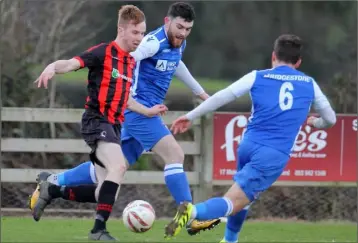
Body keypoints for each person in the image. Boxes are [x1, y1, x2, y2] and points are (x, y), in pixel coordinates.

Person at [29, 2, 220, 236]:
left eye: (188, 29)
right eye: (180, 27)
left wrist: (200, 93)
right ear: (167, 21)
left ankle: (54, 182)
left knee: (111, 174)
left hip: (142, 111)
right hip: (136, 112)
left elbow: (175, 63)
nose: (183, 33)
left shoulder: (177, 43)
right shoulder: (150, 43)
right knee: (175, 155)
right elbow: (127, 58)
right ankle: (188, 217)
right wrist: (126, 94)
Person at [164, 34, 337, 241]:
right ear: (298, 62)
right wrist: (315, 123)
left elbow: (222, 96)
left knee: (245, 199)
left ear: (273, 56)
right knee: (233, 202)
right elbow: (330, 119)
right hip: (273, 155)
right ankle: (192, 213)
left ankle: (230, 240)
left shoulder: (257, 76)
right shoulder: (309, 84)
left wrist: (190, 116)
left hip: (248, 145)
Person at [33, 5, 168, 241]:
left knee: (104, 192)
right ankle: (98, 231)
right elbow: (72, 63)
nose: (140, 39)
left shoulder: (130, 63)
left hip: (114, 126)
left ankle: (52, 189)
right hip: (96, 120)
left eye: (143, 34)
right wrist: (53, 67)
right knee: (119, 166)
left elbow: (124, 99)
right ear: (121, 29)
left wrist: (147, 111)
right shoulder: (104, 52)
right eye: (135, 33)